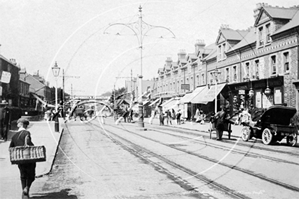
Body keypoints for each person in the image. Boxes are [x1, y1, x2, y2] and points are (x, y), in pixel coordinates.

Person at [9, 118, 36, 197]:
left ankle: (24, 194)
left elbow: (11, 147)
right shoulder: (26, 133)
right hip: (28, 157)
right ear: (24, 125)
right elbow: (29, 143)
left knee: (23, 175)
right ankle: (27, 188)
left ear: (19, 125)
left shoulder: (14, 136)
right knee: (31, 175)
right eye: (26, 125)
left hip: (19, 158)